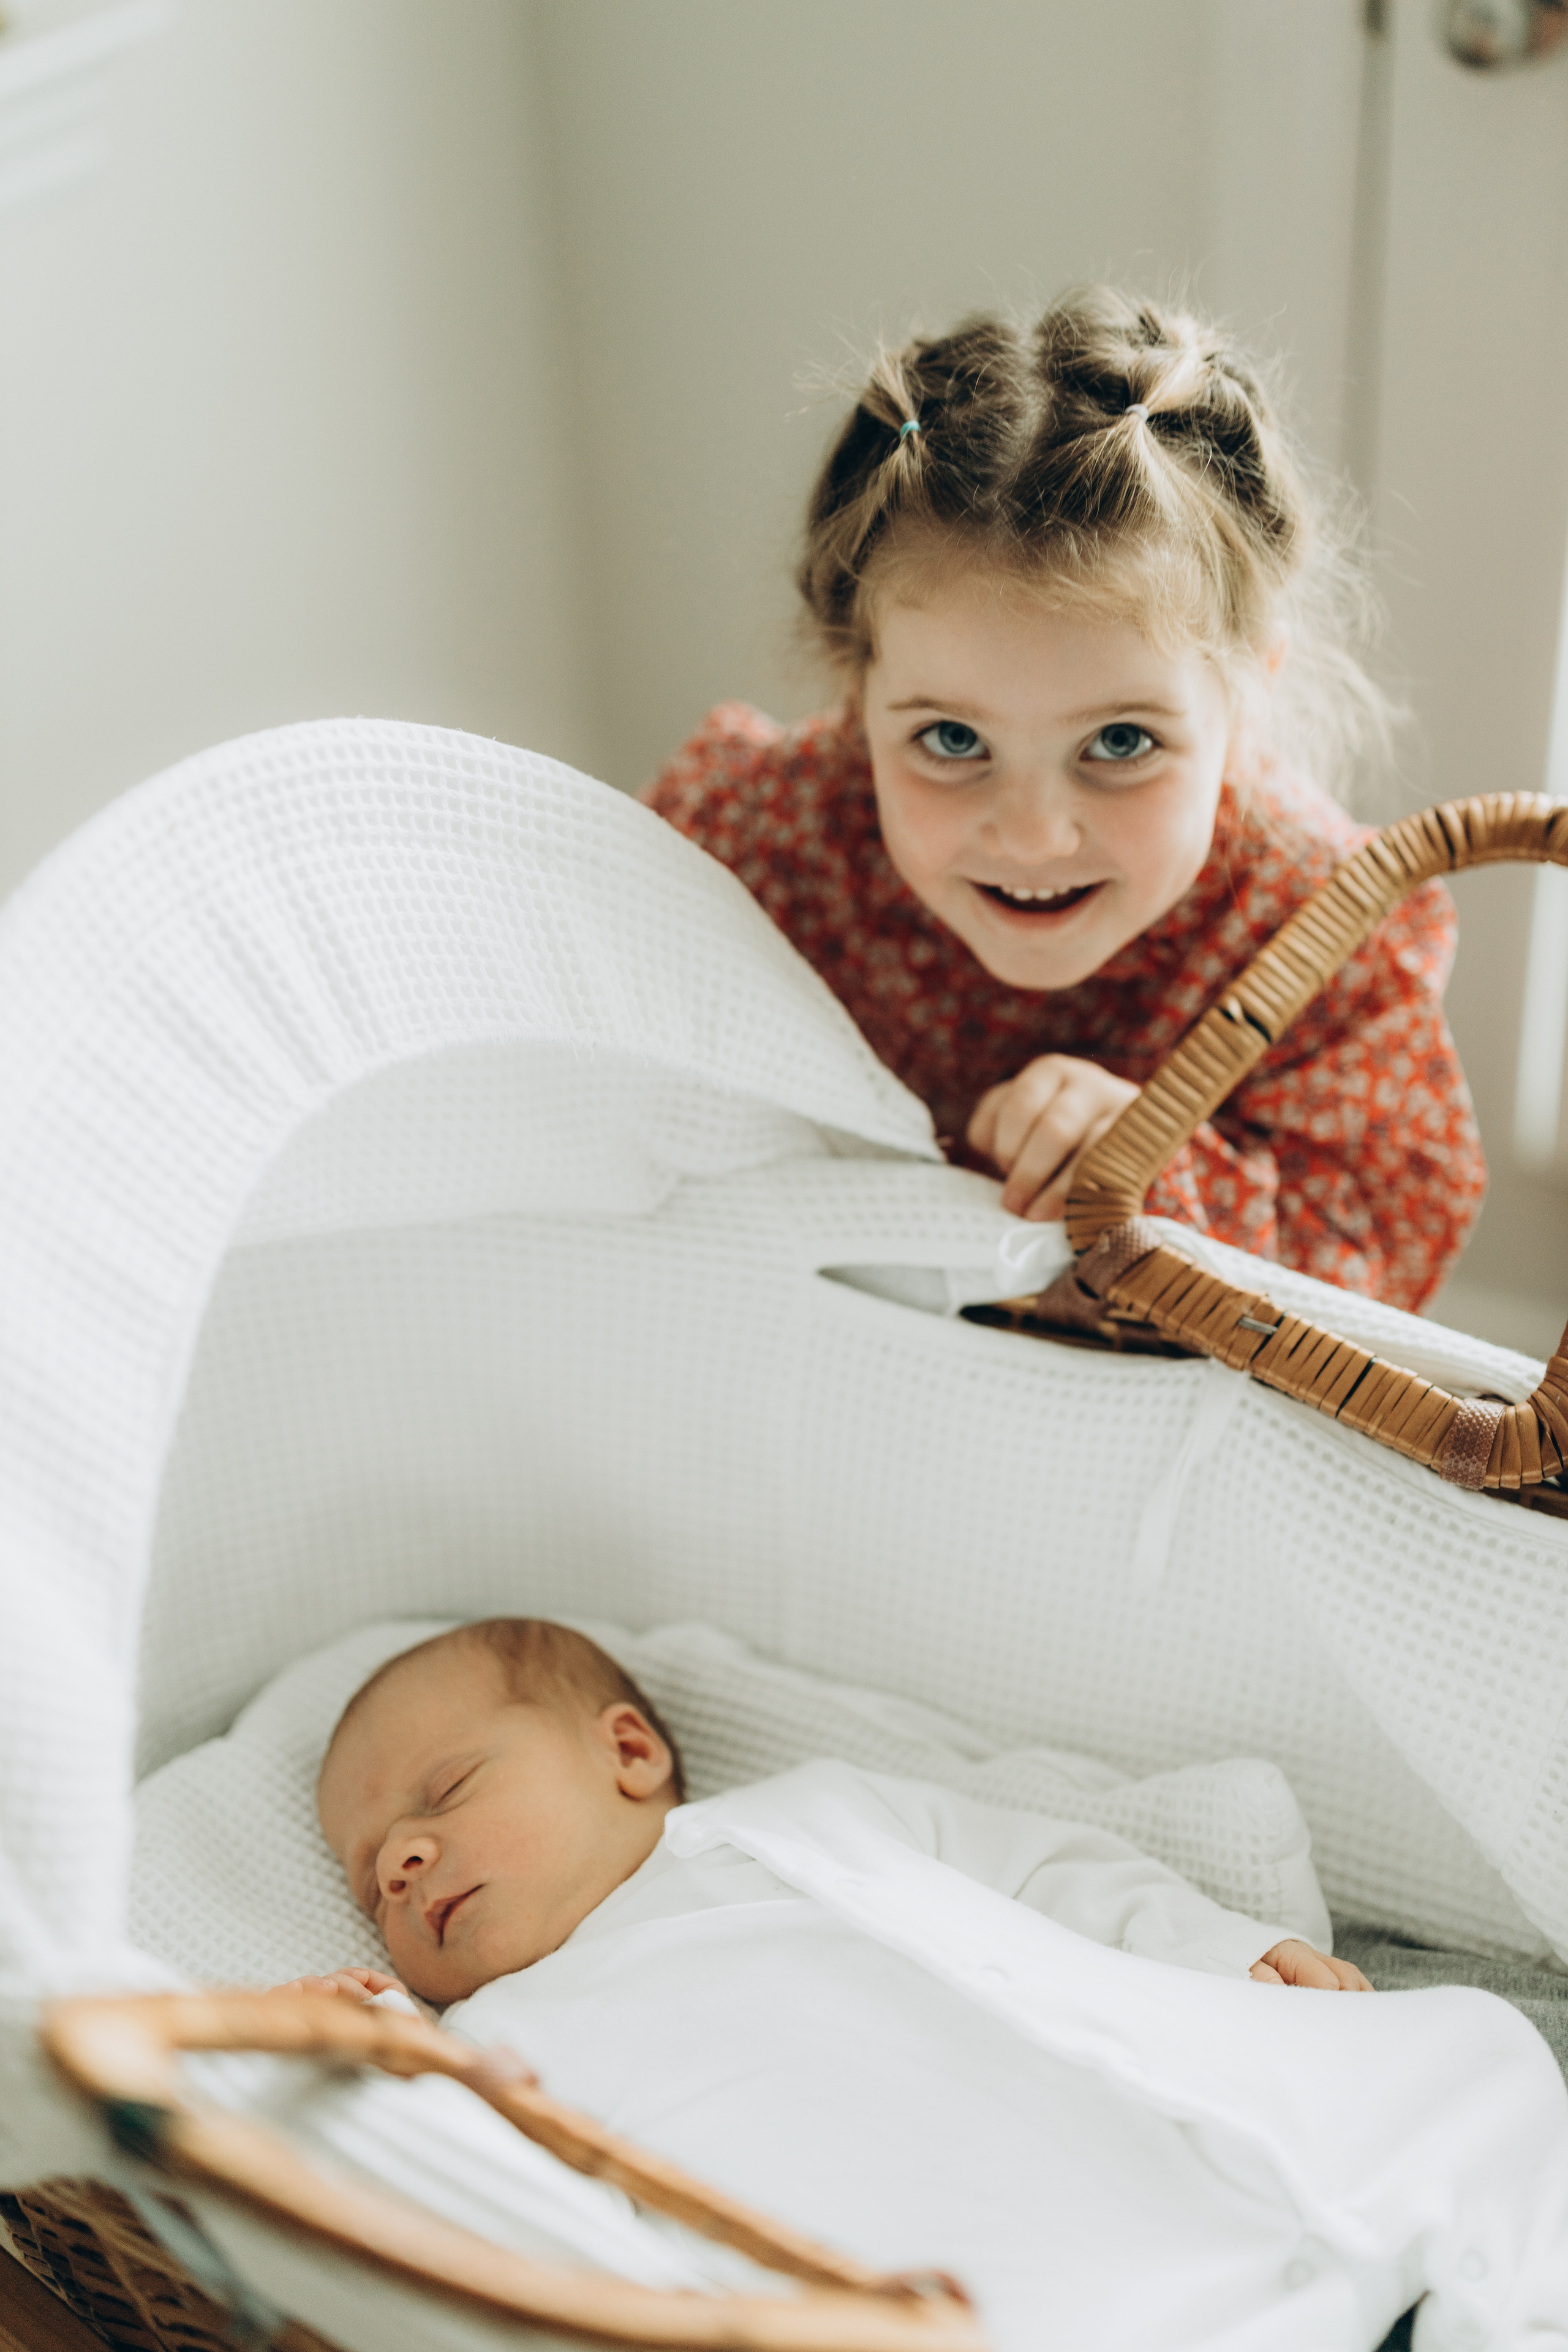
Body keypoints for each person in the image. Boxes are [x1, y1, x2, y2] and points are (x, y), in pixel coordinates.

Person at [289, 1619, 1568, 2352]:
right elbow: (511, 2225)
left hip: (1170, 2100)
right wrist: (390, 2062)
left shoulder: (808, 1815)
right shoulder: (494, 2040)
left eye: (444, 1795)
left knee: (1472, 2063)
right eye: (369, 1885)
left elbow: (1052, 1871)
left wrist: (1211, 1951)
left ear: (625, 1752)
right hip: (981, 2272)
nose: (401, 1863)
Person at [643, 290, 1485, 1313]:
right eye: (951, 741)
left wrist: (1162, 1168)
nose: (1035, 834)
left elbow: (1378, 1249)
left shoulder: (1318, 925)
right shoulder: (759, 837)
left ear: (1249, 689)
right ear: (855, 693)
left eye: (1121, 743)